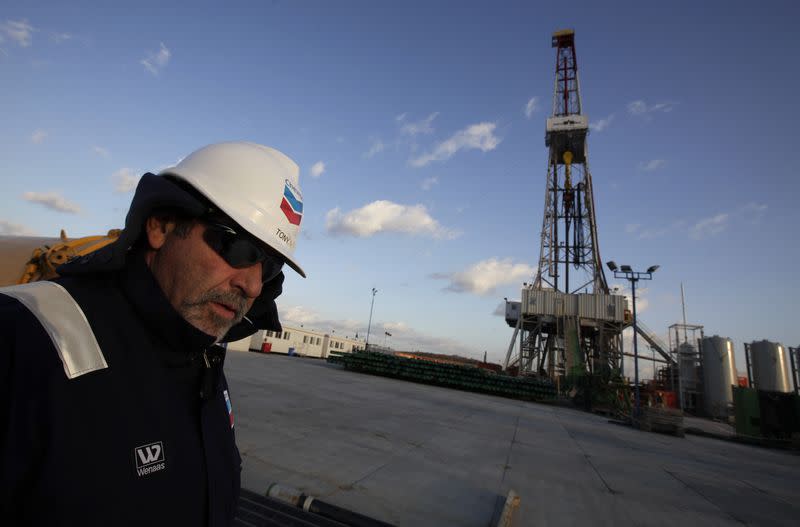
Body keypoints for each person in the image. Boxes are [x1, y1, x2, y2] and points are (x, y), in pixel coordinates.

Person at [0, 142, 306, 526]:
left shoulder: (202, 358)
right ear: (161, 225)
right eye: (238, 247)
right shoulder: (21, 341)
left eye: (270, 266)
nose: (254, 285)